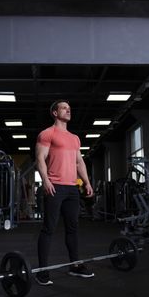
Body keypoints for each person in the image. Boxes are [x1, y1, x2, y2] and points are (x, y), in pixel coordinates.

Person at [35, 99, 94, 286]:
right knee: (49, 228)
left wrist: (87, 182)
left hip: (72, 188)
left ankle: (75, 265)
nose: (68, 110)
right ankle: (43, 272)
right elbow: (40, 158)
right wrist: (45, 180)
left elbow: (79, 162)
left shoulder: (75, 138)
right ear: (54, 112)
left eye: (69, 108)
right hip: (55, 186)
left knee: (73, 228)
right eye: (63, 108)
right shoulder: (47, 134)